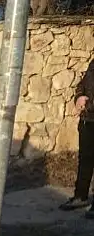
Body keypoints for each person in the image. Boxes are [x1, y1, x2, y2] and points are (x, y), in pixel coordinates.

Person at [59, 60, 94, 219]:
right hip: (88, 121)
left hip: (90, 113)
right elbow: (83, 83)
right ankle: (80, 196)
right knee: (85, 159)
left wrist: (89, 104)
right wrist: (79, 97)